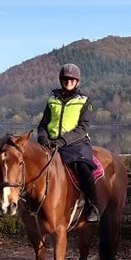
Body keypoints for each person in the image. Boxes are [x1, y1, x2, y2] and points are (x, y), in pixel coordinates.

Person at [36, 64, 100, 222]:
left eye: (72, 79)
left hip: (76, 143)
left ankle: (93, 205)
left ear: (77, 81)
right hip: (50, 143)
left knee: (83, 168)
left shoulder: (84, 101)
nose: (69, 81)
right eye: (66, 79)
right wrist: (43, 138)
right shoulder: (52, 100)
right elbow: (43, 124)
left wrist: (63, 141)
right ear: (61, 80)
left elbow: (83, 128)